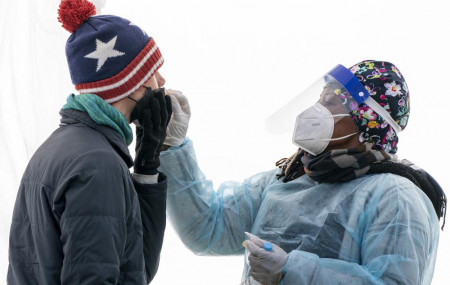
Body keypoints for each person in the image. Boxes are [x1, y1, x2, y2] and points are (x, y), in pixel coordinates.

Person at [159, 60, 446, 284]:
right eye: (319, 99)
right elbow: (207, 228)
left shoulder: (395, 197)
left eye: (330, 102)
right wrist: (173, 147)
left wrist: (292, 271)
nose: (316, 110)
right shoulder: (289, 179)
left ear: (367, 122)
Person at [7, 0, 173, 283]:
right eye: (152, 72)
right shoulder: (98, 166)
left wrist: (146, 167)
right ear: (132, 84)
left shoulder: (61, 147)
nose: (162, 79)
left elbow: (135, 268)